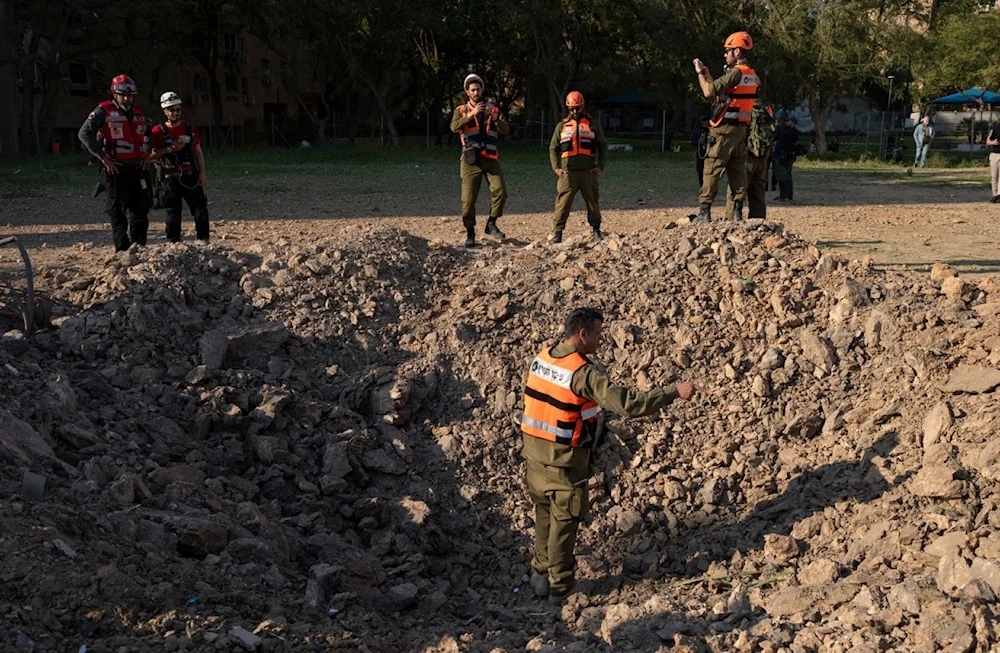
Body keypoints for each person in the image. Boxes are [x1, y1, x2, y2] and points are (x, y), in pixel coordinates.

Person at [521, 307, 699, 604]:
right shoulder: (582, 373)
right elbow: (628, 404)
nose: (601, 341)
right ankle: (561, 589)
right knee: (564, 524)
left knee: (544, 517)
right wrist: (672, 392)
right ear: (583, 334)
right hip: (564, 463)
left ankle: (540, 576)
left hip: (535, 458)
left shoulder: (544, 356)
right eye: (599, 334)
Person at [691, 31, 761, 222]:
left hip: (724, 129)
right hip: (740, 129)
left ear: (737, 51)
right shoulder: (751, 74)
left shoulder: (735, 73)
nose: (725, 55)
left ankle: (704, 212)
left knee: (712, 166)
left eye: (728, 51)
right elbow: (723, 94)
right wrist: (708, 74)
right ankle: (737, 212)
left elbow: (708, 92)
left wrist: (699, 73)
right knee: (737, 168)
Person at [78, 74, 151, 251]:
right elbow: (84, 134)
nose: (127, 98)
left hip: (138, 169)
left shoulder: (138, 113)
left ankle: (139, 247)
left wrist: (148, 154)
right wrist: (103, 157)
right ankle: (122, 250)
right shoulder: (103, 111)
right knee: (117, 211)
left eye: (131, 95)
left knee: (140, 211)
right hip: (116, 169)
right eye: (123, 95)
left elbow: (148, 135)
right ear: (114, 94)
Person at [450, 73, 509, 248]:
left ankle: (491, 223)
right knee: (468, 201)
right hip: (470, 160)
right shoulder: (461, 110)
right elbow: (454, 127)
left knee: (501, 191)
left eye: (478, 89)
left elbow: (505, 130)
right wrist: (471, 114)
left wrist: (496, 117)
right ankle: (470, 233)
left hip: (490, 158)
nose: (476, 93)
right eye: (473, 90)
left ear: (482, 90)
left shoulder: (493, 108)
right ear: (467, 92)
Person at [149, 92, 210, 242]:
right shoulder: (157, 132)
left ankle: (204, 240)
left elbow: (198, 152)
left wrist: (202, 173)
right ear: (164, 111)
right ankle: (173, 243)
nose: (175, 113)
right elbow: (151, 155)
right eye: (171, 110)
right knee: (173, 213)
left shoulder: (190, 129)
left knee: (200, 210)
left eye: (178, 109)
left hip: (190, 176)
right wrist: (171, 149)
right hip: (170, 178)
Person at [548, 91, 609, 243]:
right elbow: (553, 148)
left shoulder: (592, 124)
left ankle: (596, 230)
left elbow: (602, 146)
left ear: (582, 106)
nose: (575, 111)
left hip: (588, 172)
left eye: (578, 108)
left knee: (592, 202)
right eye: (572, 108)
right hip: (568, 173)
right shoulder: (561, 126)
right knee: (562, 203)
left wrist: (600, 166)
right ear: (568, 108)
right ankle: (557, 233)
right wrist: (556, 167)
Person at [725, 101, 774, 220]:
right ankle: (758, 223)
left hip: (746, 157)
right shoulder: (765, 109)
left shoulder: (743, 109)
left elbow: (735, 133)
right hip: (762, 158)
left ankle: (733, 222)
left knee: (736, 191)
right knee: (758, 193)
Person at [772, 115, 799, 201]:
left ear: (792, 122)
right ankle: (782, 195)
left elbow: (782, 132)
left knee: (786, 177)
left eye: (788, 121)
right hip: (780, 156)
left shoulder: (792, 132)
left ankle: (788, 195)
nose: (786, 123)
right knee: (780, 177)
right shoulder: (785, 130)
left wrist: (776, 125)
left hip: (786, 157)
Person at [690, 115, 710, 188]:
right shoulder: (697, 131)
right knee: (700, 171)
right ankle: (702, 186)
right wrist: (699, 142)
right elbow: (693, 142)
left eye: (706, 121)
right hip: (700, 153)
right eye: (703, 121)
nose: (704, 122)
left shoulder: (712, 130)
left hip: (710, 154)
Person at [986, 123, 1000, 203]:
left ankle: (999, 195)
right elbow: (988, 141)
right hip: (995, 154)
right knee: (994, 176)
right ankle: (994, 194)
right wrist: (993, 142)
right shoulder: (995, 128)